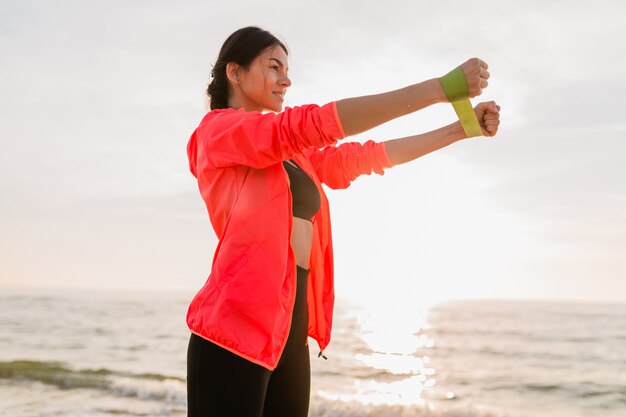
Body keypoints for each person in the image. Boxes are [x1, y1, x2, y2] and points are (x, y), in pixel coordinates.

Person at [185, 26, 500, 417]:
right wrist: (440, 88)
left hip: (289, 332)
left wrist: (458, 129)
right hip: (234, 330)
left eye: (287, 68)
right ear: (235, 72)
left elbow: (364, 157)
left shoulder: (294, 158)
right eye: (274, 66)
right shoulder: (216, 133)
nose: (287, 79)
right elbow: (310, 125)